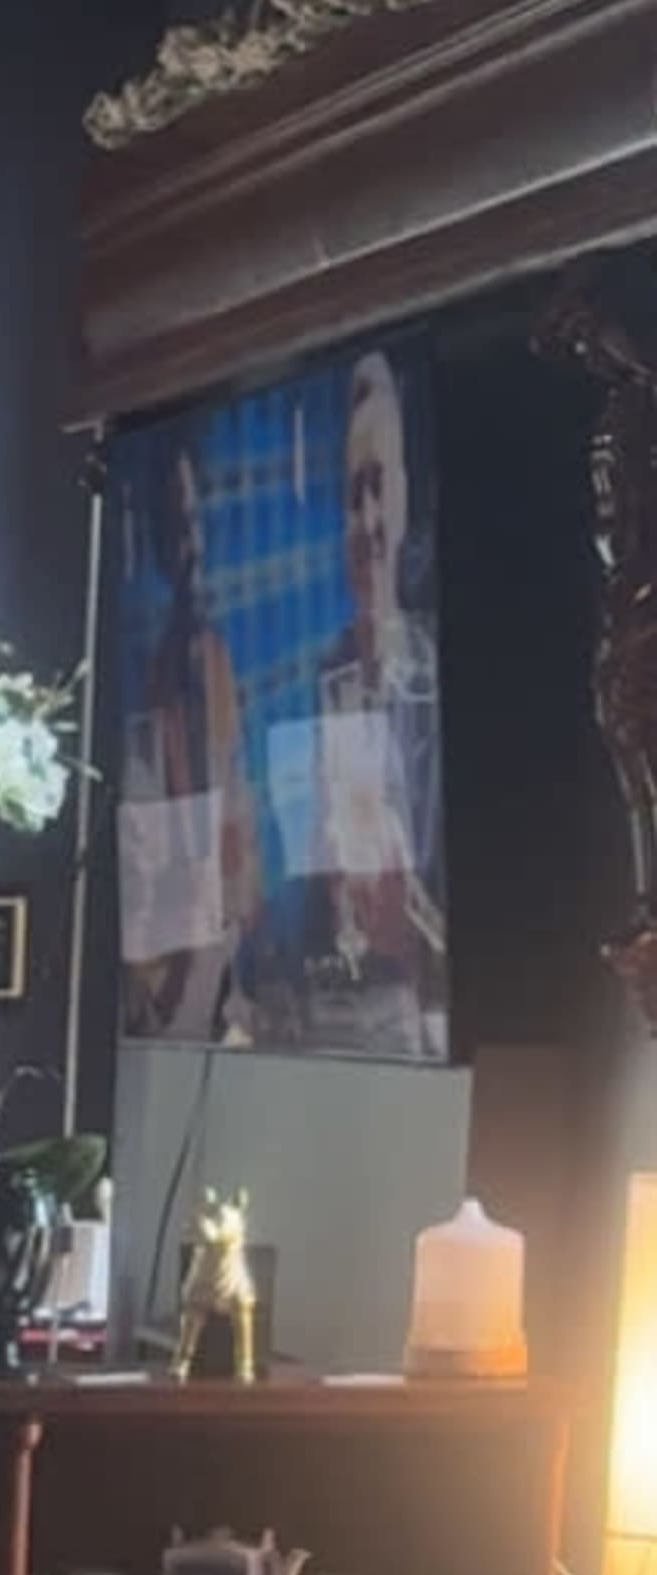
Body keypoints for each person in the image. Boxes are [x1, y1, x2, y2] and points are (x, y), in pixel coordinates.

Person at [287, 345, 446, 1056]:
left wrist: (408, 931)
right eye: (355, 495)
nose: (370, 517)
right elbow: (310, 874)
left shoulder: (438, 667)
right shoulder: (328, 676)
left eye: (380, 486)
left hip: (437, 1019)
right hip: (340, 1025)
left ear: (408, 495)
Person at [117, 430, 258, 1042]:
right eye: (178, 528)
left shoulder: (219, 658)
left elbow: (242, 800)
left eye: (197, 523)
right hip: (172, 964)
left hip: (230, 948)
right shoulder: (149, 676)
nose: (193, 546)